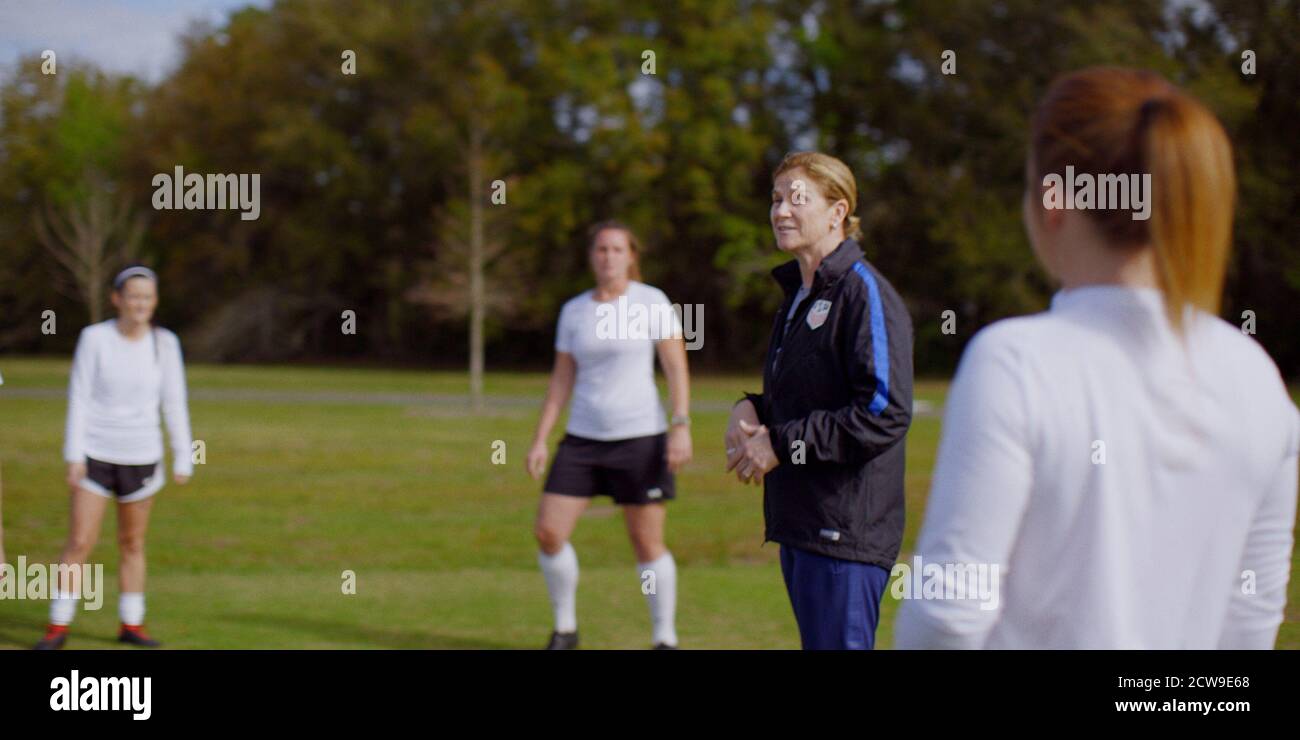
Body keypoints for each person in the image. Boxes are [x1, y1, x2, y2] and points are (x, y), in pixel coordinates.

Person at [894, 67, 1300, 649]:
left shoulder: (1014, 363)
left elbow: (947, 616)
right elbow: (1251, 620)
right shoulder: (1259, 381)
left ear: (1052, 198)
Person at [726, 151, 913, 649]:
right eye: (776, 198)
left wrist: (781, 444)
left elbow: (883, 412)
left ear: (837, 211)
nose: (781, 210)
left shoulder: (863, 292)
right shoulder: (798, 297)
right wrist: (753, 408)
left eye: (797, 198)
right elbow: (812, 396)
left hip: (846, 534)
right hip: (804, 524)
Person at [525, 221, 692, 650]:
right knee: (548, 531)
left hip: (641, 437)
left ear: (631, 256)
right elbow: (561, 380)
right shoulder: (574, 310)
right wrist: (542, 437)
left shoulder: (651, 301)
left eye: (618, 249)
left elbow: (675, 367)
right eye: (601, 249)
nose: (608, 257)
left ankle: (664, 637)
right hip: (582, 439)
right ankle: (565, 629)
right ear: (591, 256)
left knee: (645, 541)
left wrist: (681, 424)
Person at [35, 265, 194, 650]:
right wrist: (74, 454)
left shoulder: (165, 343)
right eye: (133, 295)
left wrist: (183, 454)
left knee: (132, 543)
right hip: (96, 455)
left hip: (142, 456)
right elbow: (80, 396)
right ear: (117, 299)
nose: (140, 303)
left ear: (154, 302)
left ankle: (132, 624)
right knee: (80, 540)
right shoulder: (95, 339)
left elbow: (174, 401)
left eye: (147, 297)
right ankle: (58, 626)